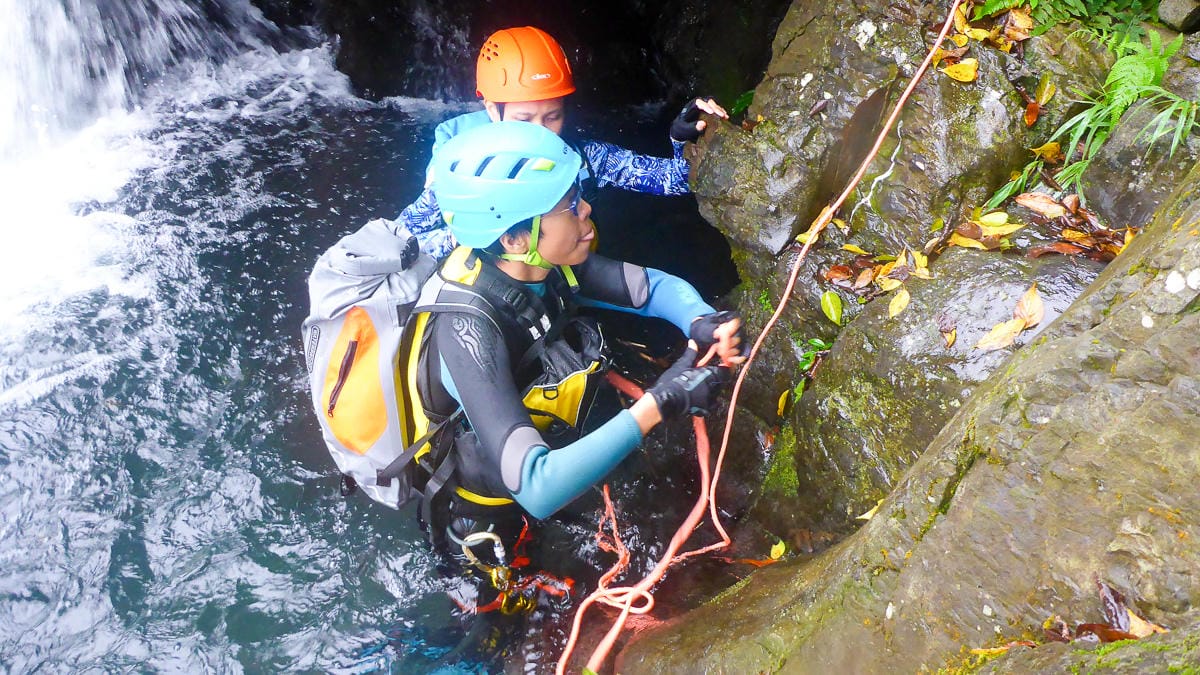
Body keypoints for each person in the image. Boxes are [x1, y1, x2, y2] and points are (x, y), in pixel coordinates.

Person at [406, 121, 742, 558]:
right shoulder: (467, 331)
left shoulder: (545, 267)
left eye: (577, 195)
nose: (585, 211)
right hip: (487, 519)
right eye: (568, 205)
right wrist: (660, 401)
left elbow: (652, 289)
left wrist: (702, 321)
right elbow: (537, 487)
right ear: (514, 237)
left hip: (549, 445)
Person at [399, 25, 728, 258]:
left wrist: (683, 138)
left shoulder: (583, 157)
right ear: (491, 110)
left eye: (552, 117)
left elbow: (677, 180)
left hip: (561, 276)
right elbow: (406, 237)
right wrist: (482, 234)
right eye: (524, 119)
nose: (541, 133)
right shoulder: (459, 169)